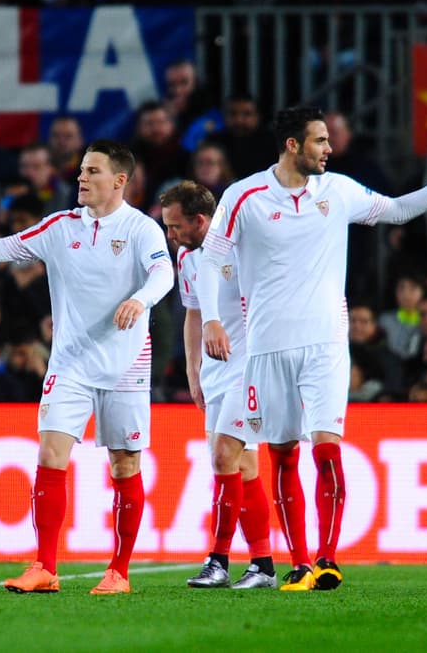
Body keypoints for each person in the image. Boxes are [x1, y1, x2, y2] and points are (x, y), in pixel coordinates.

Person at [198, 106, 427, 591]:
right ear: (292, 145)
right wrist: (213, 322)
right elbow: (210, 260)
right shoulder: (243, 196)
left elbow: (395, 209)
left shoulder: (339, 191)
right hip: (265, 349)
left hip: (326, 344)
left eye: (328, 140)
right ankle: (299, 563)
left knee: (326, 449)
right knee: (283, 455)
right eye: (320, 140)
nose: (329, 149)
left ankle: (326, 558)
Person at [0, 139, 172, 596]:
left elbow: (163, 274)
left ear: (119, 180)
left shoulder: (142, 229)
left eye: (92, 171)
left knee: (125, 463)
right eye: (82, 171)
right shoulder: (59, 227)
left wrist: (139, 299)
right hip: (69, 361)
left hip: (127, 363)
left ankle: (119, 573)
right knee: (50, 456)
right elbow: (5, 246)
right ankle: (45, 566)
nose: (80, 178)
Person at [159, 181, 276, 590]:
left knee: (224, 456)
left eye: (175, 226)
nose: (170, 235)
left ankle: (218, 560)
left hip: (250, 368)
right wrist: (194, 371)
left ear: (201, 220)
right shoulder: (187, 255)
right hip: (215, 372)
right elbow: (193, 313)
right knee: (243, 467)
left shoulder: (242, 247)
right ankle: (263, 565)